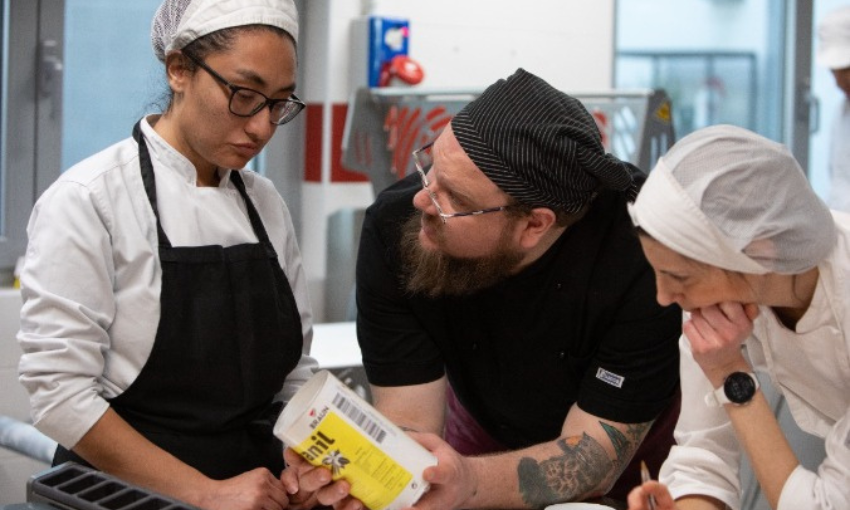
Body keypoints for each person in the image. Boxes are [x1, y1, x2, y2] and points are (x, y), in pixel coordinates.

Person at [285, 69, 682, 510]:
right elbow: (412, 427)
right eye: (429, 168)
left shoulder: (640, 257)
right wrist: (378, 476)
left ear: (534, 225)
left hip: (629, 460)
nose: (422, 200)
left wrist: (470, 482)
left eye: (453, 198)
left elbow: (592, 458)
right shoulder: (397, 229)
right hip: (479, 437)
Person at [15, 1, 336, 509]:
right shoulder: (90, 199)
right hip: (120, 496)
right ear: (179, 68)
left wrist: (318, 464)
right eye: (245, 96)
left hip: (256, 492)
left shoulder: (264, 202)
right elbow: (60, 397)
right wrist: (205, 495)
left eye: (278, 104)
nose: (261, 128)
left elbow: (293, 374)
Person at [626, 125, 850, 510]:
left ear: (759, 253)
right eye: (657, 274)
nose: (664, 298)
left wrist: (730, 374)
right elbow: (703, 454)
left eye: (679, 277)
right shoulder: (725, 294)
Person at [817, 5, 850, 213]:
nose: (839, 82)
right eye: (834, 72)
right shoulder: (842, 111)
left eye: (846, 70)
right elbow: (839, 182)